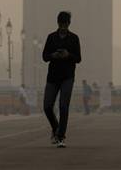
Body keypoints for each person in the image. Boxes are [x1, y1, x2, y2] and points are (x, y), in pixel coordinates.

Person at [42, 11, 82, 147]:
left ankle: (61, 137)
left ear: (68, 24)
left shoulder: (74, 38)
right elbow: (44, 56)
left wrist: (68, 55)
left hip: (67, 77)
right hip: (53, 77)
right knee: (47, 106)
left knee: (63, 106)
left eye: (65, 24)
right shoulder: (51, 37)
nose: (63, 27)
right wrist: (53, 55)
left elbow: (78, 58)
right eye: (61, 24)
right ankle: (56, 127)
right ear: (58, 23)